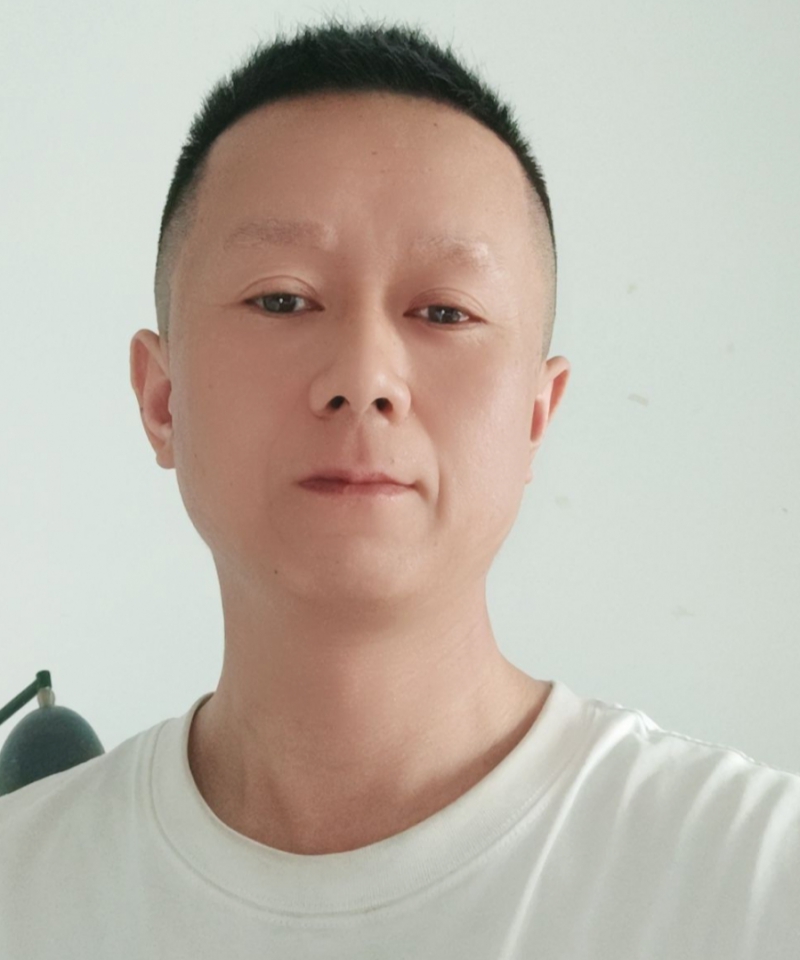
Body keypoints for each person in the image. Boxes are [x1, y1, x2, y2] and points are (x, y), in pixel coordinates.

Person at [0, 16, 797, 959]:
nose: (365, 375)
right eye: (282, 299)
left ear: (536, 416)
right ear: (162, 397)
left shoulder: (756, 881)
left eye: (444, 311)